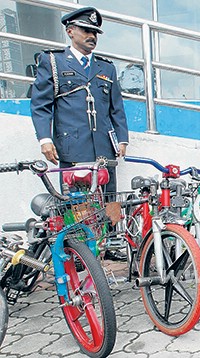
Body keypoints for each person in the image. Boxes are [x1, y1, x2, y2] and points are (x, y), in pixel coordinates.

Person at [30, 7, 130, 261]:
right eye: (86, 30)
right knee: (76, 200)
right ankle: (81, 250)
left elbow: (116, 108)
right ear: (70, 31)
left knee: (110, 197)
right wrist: (45, 139)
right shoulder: (53, 62)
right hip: (72, 145)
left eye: (95, 32)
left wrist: (123, 138)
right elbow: (41, 104)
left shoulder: (106, 68)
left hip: (104, 146)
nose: (92, 36)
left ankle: (111, 243)